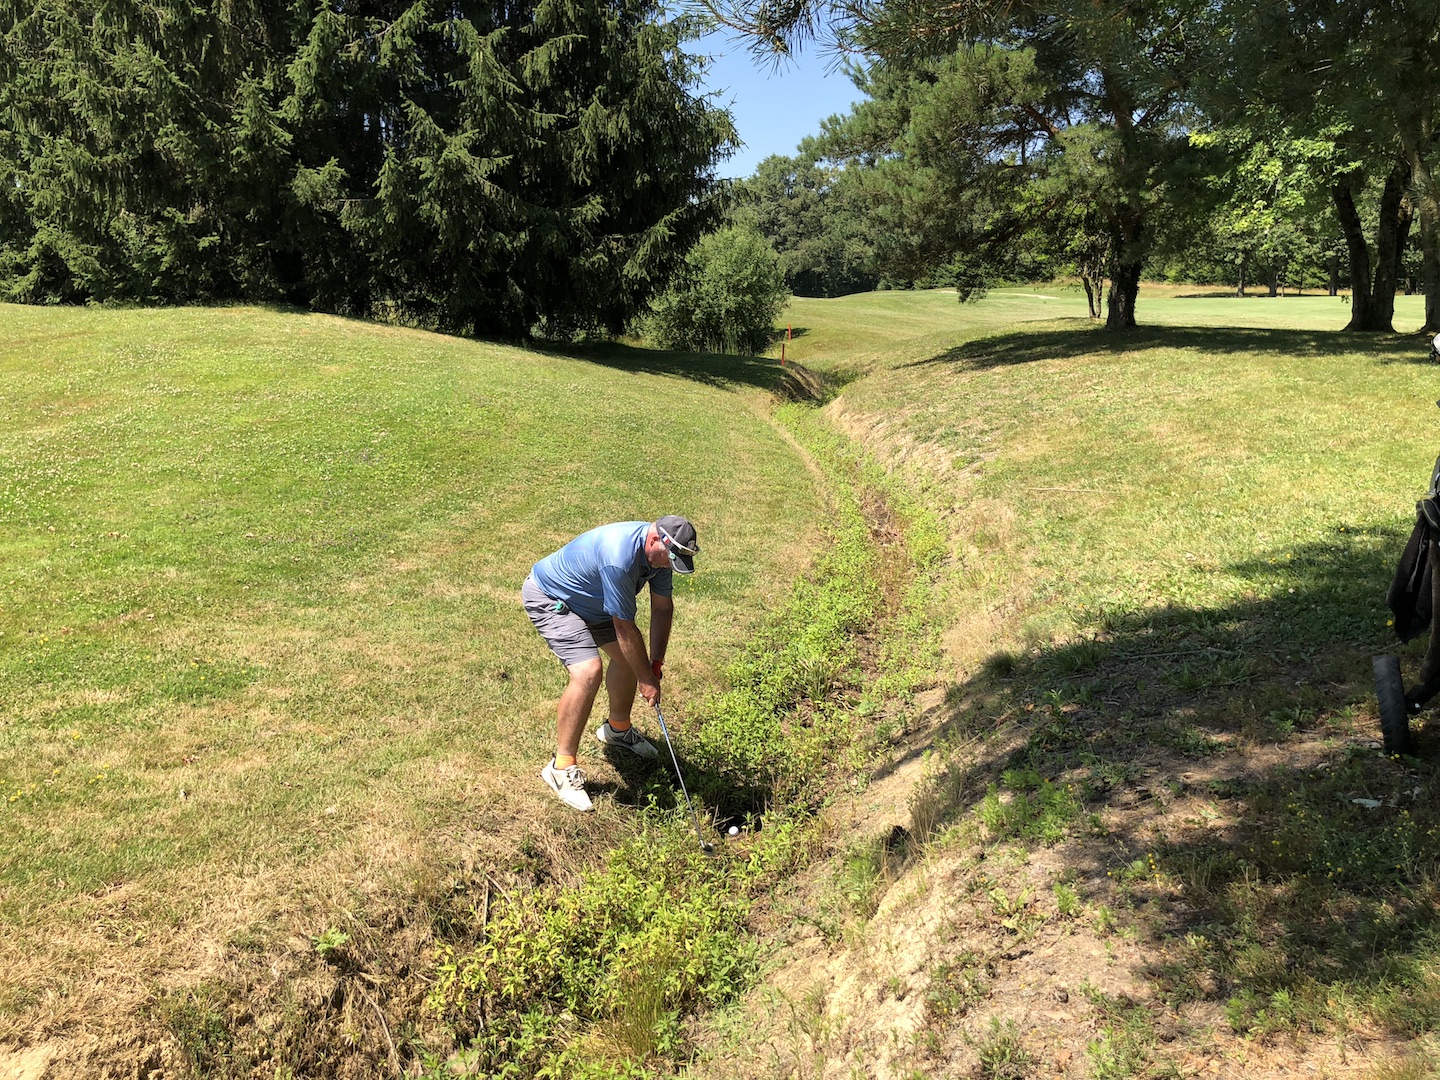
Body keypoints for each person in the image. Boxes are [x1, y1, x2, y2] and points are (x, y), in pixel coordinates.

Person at [522, 516, 699, 811]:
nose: (670, 566)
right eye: (670, 559)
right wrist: (646, 680)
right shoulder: (620, 558)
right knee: (588, 671)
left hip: (595, 601)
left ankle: (617, 729)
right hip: (554, 598)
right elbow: (624, 626)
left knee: (632, 661)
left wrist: (654, 664)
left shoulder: (660, 558)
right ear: (655, 541)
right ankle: (560, 767)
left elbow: (662, 608)